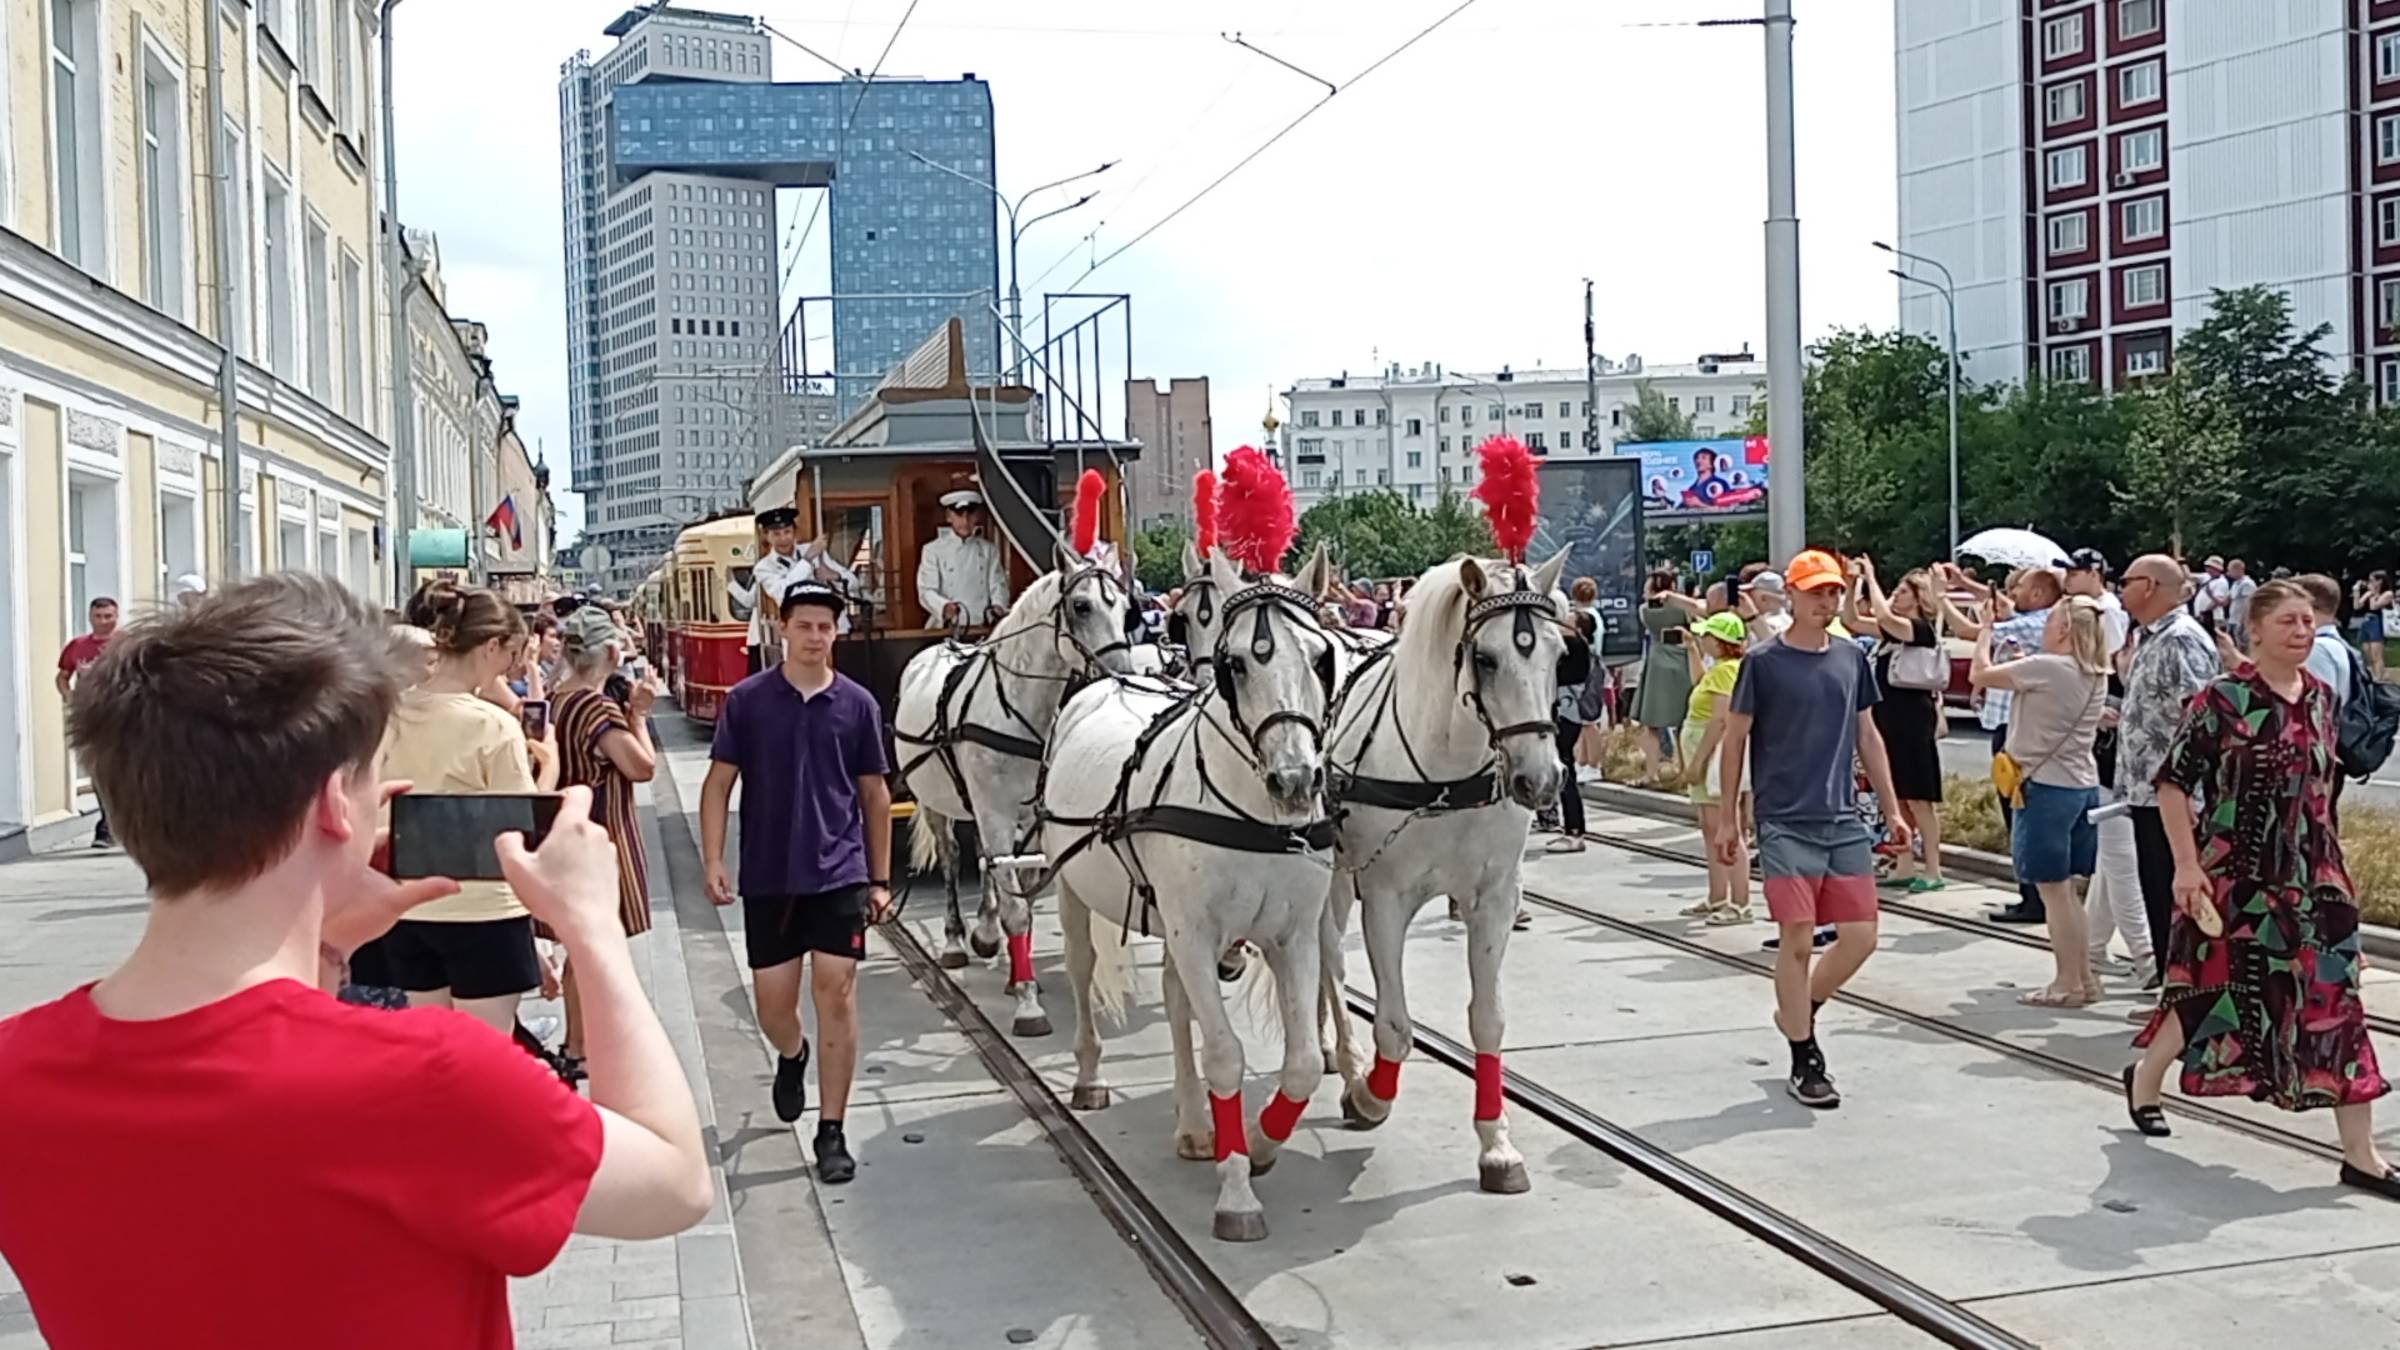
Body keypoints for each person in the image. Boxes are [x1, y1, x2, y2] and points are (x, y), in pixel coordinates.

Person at [0, 573, 711, 1348]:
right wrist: (593, 930)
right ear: (338, 804)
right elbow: (672, 1182)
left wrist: (327, 945)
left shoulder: (18, 1074)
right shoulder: (423, 1076)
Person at [2125, 580, 2397, 1199]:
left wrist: (2329, 855)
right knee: (2208, 988)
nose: (2302, 633)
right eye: (2288, 623)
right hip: (2234, 875)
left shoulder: (2322, 698)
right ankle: (2144, 1080)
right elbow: (2172, 783)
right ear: (2255, 630)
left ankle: (2361, 1155)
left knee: (2337, 1001)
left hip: (2315, 879)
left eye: (2308, 623)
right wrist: (2186, 866)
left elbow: (2322, 790)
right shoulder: (2224, 700)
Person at [700, 582, 895, 1184]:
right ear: (782, 628)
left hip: (839, 873)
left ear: (836, 633)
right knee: (774, 1005)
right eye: (804, 625)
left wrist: (879, 878)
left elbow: (874, 794)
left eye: (825, 627)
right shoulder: (749, 701)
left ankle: (832, 1129)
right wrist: (713, 859)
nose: (815, 636)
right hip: (769, 874)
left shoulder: (858, 704)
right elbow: (718, 784)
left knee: (835, 991)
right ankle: (793, 1055)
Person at [1712, 549, 1912, 1110]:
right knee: (1798, 938)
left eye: (1834, 591)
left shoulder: (1852, 658)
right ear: (1792, 597)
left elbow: (1868, 736)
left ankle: (1801, 1008)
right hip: (1784, 820)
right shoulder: (1764, 662)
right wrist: (1730, 816)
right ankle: (1805, 1055)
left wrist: (1892, 808)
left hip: (1842, 816)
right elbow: (1736, 740)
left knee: (1861, 936)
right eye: (1817, 591)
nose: (1827, 600)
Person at [377, 582, 553, 1035]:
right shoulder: (492, 725)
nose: (510, 666)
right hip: (482, 908)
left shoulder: (389, 712)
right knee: (484, 1054)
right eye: (510, 654)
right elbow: (516, 827)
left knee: (430, 1047)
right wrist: (548, 770)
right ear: (490, 646)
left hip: (408, 903)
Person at [1973, 597, 2111, 1006]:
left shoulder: (2048, 667)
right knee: (2067, 891)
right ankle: (2084, 977)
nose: (2046, 628)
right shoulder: (2094, 671)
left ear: (2065, 629)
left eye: (2051, 621)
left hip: (2044, 787)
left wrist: (1985, 631)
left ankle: (2066, 981)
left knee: (2053, 892)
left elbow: (1981, 673)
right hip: (2081, 785)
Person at [549, 605, 661, 1076]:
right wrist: (638, 715)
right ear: (612, 651)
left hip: (569, 830)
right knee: (595, 947)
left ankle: (579, 1044)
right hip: (603, 832)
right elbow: (641, 766)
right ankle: (584, 1046)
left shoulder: (559, 697)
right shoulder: (595, 706)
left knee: (580, 944)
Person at [2113, 554, 2223, 1009]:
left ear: (2150, 586)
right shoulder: (2152, 637)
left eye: (2126, 581)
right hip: (2145, 792)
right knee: (2157, 894)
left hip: (2176, 798)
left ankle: (2188, 996)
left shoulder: (2181, 638)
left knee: (2174, 898)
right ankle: (2172, 992)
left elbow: (2203, 717)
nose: (2120, 589)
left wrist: (2196, 791)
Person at [1957, 563, 2060, 924]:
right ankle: (2031, 893)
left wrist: (1949, 601)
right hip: (2011, 723)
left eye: (2020, 588)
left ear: (2039, 594)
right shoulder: (2038, 621)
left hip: (2016, 730)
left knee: (2018, 809)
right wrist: (1963, 584)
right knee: (2017, 810)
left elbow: (1971, 636)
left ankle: (2033, 896)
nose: (2012, 594)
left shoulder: (2036, 623)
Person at [1850, 561, 1947, 893]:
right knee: (1899, 797)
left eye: (1903, 591)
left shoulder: (1920, 628)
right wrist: (1853, 585)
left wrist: (1872, 578)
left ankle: (1933, 867)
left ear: (1919, 597)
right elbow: (1851, 620)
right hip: (1888, 720)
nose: (1894, 595)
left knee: (1920, 798)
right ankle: (1905, 862)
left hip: (1913, 721)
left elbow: (1886, 618)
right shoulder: (1891, 634)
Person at [1676, 611, 1753, 924]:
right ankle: (1718, 895)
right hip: (1704, 749)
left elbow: (1720, 719)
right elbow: (1699, 685)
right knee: (1711, 827)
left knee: (1725, 826)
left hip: (1712, 754)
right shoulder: (1721, 670)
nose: (1703, 639)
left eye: (1706, 636)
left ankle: (1740, 901)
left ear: (1720, 642)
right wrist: (1692, 650)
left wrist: (1697, 762)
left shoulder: (1725, 672)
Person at [54, 596, 119, 847]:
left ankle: (119, 823)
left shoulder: (127, 643)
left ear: (116, 616)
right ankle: (107, 825)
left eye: (108, 617)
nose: (103, 622)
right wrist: (70, 696)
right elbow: (62, 676)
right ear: (90, 617)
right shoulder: (77, 646)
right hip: (91, 717)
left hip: (121, 716)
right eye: (98, 617)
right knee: (98, 771)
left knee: (121, 772)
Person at [1634, 570, 1699, 784]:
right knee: (1683, 720)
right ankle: (1684, 769)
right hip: (1682, 659)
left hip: (1657, 661)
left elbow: (1647, 614)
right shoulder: (1681, 609)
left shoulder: (1645, 610)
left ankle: (1651, 772)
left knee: (1651, 722)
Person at [917, 488, 1010, 630]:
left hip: (982, 624)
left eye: (970, 514)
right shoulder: (933, 550)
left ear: (976, 517)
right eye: (959, 514)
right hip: (947, 626)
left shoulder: (988, 550)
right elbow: (926, 590)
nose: (965, 521)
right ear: (949, 516)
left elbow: (998, 585)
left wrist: (998, 606)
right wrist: (944, 607)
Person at [1547, 611, 1597, 855]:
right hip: (1568, 715)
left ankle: (1574, 830)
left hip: (1565, 715)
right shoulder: (1577, 645)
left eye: (1566, 619)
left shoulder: (1574, 645)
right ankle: (1570, 827)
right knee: (1565, 768)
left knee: (1565, 769)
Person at [2353, 572, 2391, 681]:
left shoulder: (2387, 594)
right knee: (2366, 651)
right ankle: (2375, 675)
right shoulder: (2370, 593)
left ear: (2380, 581)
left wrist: (2373, 594)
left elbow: (2374, 606)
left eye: (2372, 580)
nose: (2370, 583)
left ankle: (2379, 679)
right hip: (2366, 621)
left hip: (2377, 621)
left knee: (2376, 654)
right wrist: (2356, 591)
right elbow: (2357, 606)